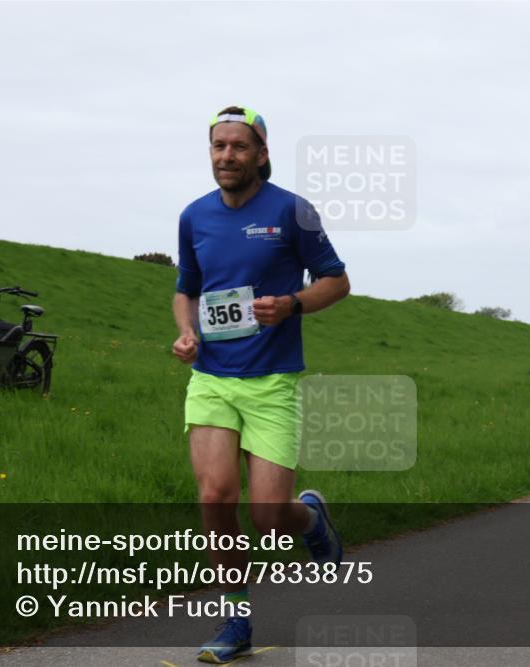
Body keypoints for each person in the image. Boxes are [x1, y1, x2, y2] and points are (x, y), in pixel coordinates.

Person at [172, 106, 350, 664]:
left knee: (270, 517)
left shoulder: (293, 211)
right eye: (218, 146)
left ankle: (311, 517)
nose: (227, 156)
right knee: (215, 497)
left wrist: (292, 304)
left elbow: (337, 280)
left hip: (272, 381)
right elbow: (187, 289)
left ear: (262, 153)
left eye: (239, 146)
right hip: (211, 379)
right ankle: (236, 621)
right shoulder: (194, 216)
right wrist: (186, 332)